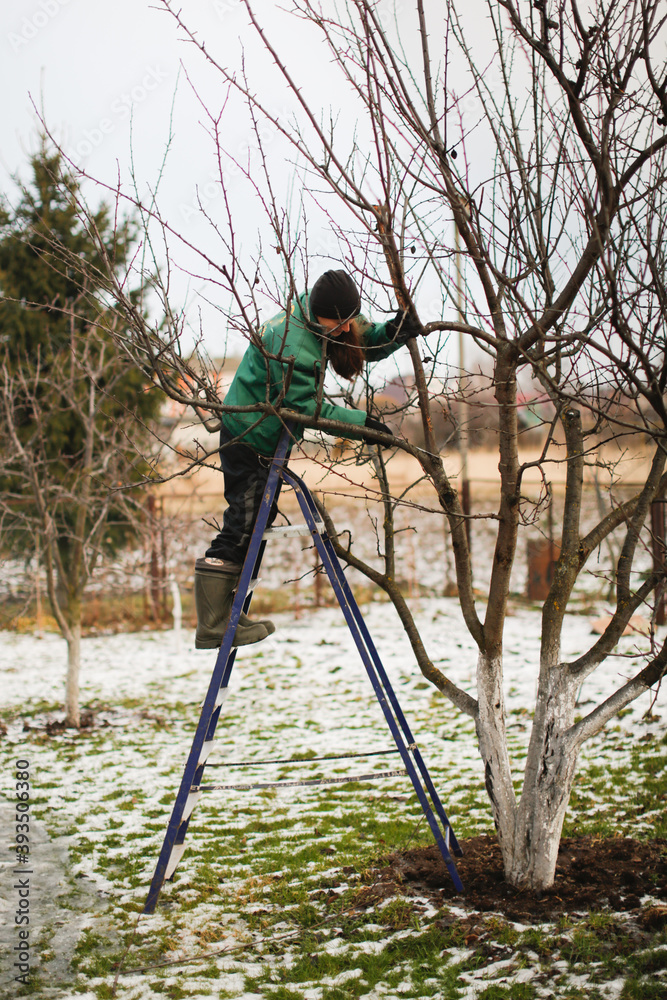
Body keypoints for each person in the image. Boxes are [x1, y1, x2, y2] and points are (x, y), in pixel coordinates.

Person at [194, 269, 422, 649]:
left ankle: (231, 616)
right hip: (248, 435)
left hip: (265, 434)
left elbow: (361, 338)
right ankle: (214, 624)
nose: (348, 329)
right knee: (244, 521)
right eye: (342, 323)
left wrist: (396, 331)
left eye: (352, 320)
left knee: (257, 518)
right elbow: (307, 411)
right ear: (322, 317)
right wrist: (363, 424)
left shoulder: (326, 311)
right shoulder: (291, 346)